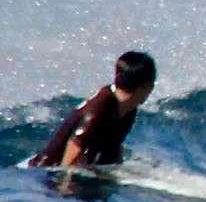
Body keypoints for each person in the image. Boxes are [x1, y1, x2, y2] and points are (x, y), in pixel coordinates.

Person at [28, 51, 156, 168]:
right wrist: (65, 188)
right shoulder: (100, 107)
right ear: (146, 86)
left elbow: (113, 148)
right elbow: (73, 151)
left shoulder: (128, 108)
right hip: (45, 172)